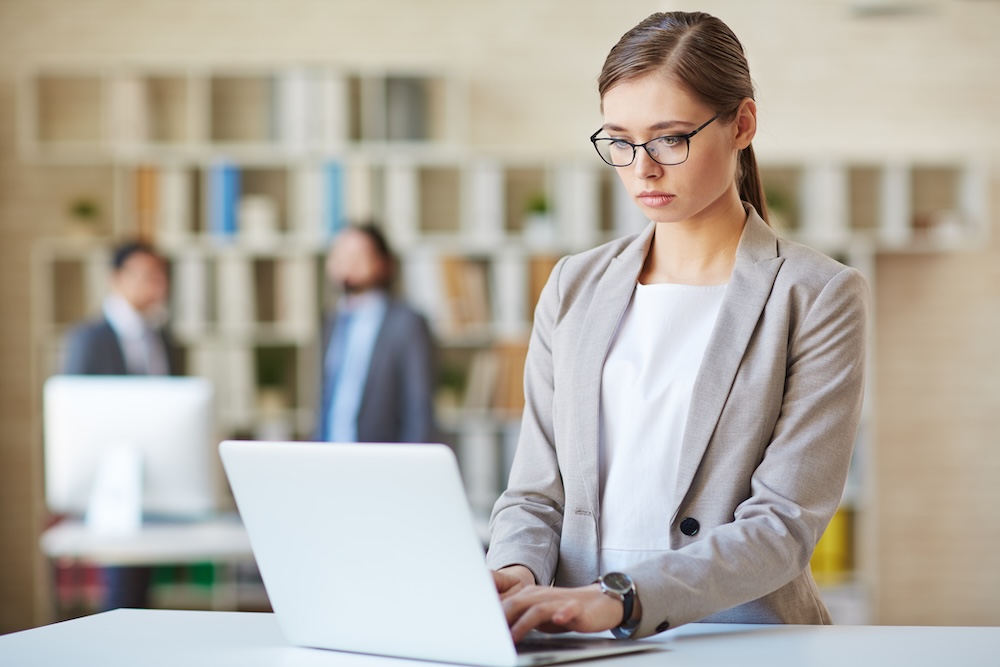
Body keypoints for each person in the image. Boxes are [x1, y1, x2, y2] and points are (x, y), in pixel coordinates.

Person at [487, 11, 869, 642]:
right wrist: (515, 573)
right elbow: (533, 493)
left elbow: (783, 525)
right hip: (573, 639)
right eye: (619, 140)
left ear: (742, 124)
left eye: (669, 138)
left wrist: (620, 601)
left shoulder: (817, 294)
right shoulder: (573, 287)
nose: (642, 169)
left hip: (739, 637)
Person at [61, 239, 178, 611]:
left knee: (144, 589)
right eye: (145, 275)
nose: (156, 284)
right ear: (116, 279)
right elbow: (74, 418)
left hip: (158, 480)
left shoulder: (164, 338)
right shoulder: (88, 340)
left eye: (160, 275)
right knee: (121, 593)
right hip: (110, 486)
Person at [316, 223, 436, 444]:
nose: (346, 262)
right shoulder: (330, 322)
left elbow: (419, 410)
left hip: (381, 462)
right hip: (329, 457)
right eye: (339, 254)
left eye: (356, 254)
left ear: (382, 263)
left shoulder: (407, 323)